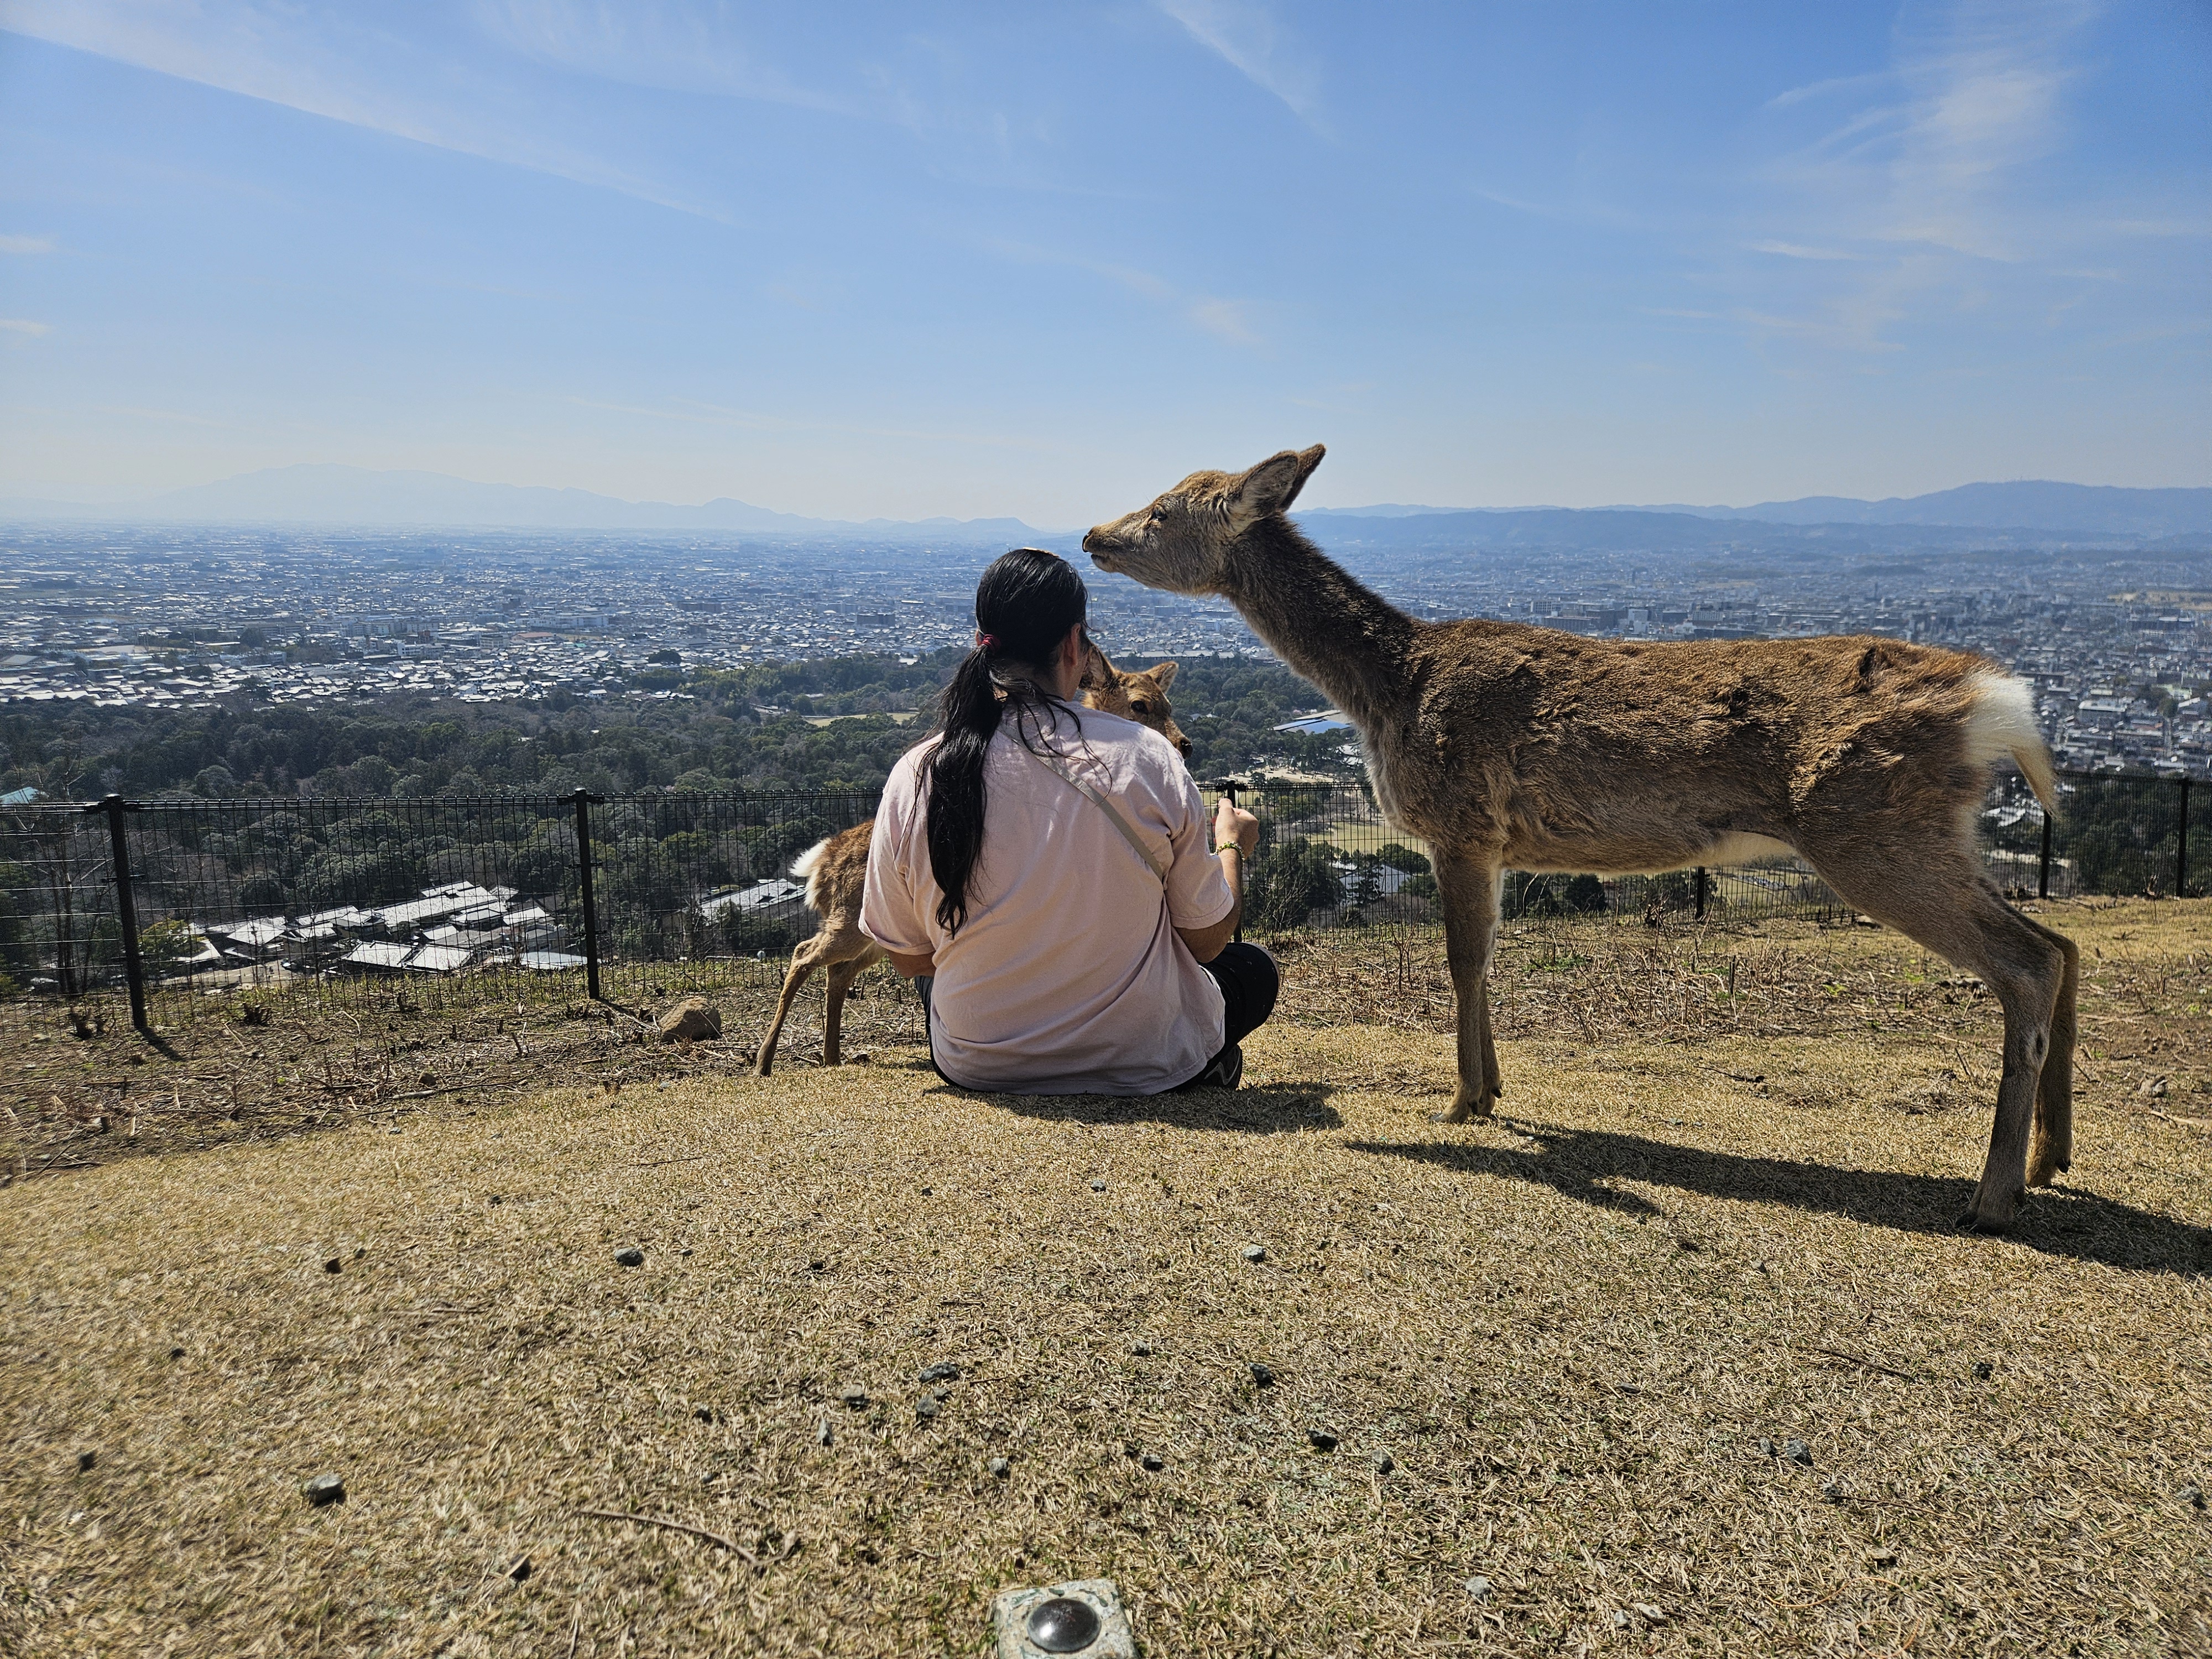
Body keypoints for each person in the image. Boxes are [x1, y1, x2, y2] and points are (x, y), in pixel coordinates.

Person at [860, 547, 1277, 1094]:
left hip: (980, 1061)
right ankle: (1208, 1062)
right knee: (1254, 969)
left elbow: (909, 957)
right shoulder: (1148, 757)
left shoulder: (917, 772)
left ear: (983, 642)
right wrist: (1230, 847)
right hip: (1142, 1055)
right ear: (1075, 646)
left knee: (938, 978)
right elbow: (1205, 941)